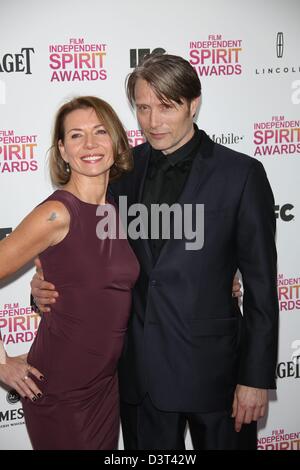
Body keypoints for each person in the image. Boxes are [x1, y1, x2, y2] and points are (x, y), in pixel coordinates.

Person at [31, 53, 279, 450]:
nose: (153, 121)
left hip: (216, 376)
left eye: (166, 106)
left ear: (192, 104)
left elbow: (263, 287)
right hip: (139, 378)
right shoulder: (121, 173)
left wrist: (254, 377)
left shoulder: (241, 175)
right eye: (143, 108)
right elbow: (85, 252)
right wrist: (42, 285)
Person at [0, 96, 139, 450]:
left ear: (116, 142)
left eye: (100, 132)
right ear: (62, 150)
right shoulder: (57, 213)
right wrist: (1, 363)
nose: (90, 145)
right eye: (76, 136)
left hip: (106, 387)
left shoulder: (117, 210)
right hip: (61, 391)